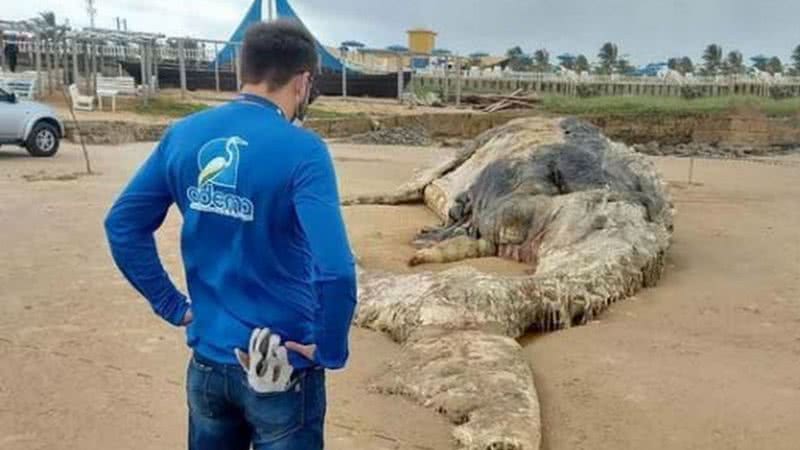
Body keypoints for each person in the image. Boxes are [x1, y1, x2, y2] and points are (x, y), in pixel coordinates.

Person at [104, 20, 357, 450]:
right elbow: (335, 271)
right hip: (283, 367)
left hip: (209, 365)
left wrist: (173, 305)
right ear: (303, 81)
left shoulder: (183, 135)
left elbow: (122, 225)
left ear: (245, 71)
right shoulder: (304, 151)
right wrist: (329, 349)